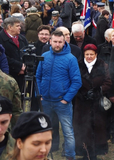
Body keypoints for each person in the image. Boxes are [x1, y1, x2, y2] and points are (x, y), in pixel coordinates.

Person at [36, 30, 82, 160]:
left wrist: (66, 99)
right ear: (50, 41)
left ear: (64, 42)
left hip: (62, 102)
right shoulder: (44, 56)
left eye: (60, 42)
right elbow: (38, 77)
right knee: (43, 130)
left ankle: (70, 156)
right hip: (45, 101)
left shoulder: (70, 59)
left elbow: (77, 82)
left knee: (67, 131)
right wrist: (39, 95)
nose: (57, 44)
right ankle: (43, 154)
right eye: (55, 42)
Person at [73, 44, 112, 160]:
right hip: (81, 102)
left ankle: (95, 153)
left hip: (97, 102)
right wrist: (81, 93)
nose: (89, 57)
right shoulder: (78, 65)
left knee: (98, 127)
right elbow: (73, 80)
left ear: (96, 54)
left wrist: (98, 91)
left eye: (91, 54)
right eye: (87, 54)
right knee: (82, 127)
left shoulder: (103, 65)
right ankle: (84, 153)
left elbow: (108, 82)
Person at [0, 17, 28, 91]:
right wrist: (18, 67)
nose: (20, 27)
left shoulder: (22, 39)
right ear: (10, 27)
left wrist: (25, 67)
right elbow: (3, 56)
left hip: (22, 75)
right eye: (17, 26)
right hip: (7, 75)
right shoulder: (1, 39)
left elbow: (27, 52)